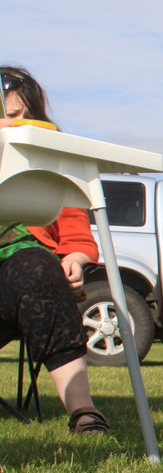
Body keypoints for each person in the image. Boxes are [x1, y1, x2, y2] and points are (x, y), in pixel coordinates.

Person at [0, 65, 110, 434]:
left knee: (38, 265)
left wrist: (74, 260)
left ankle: (83, 410)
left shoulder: (49, 164)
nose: (8, 124)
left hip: (20, 283)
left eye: (16, 115)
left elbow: (78, 238)